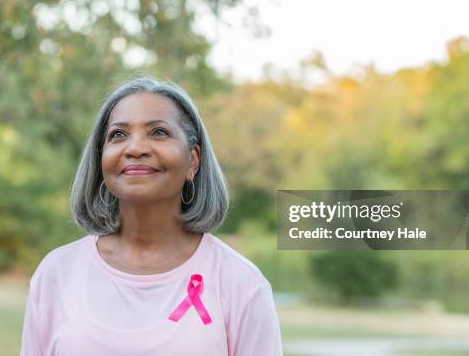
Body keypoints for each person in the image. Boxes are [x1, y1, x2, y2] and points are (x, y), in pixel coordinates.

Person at [20, 77, 283, 355]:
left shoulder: (240, 283)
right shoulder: (57, 274)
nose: (135, 148)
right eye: (118, 135)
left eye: (158, 132)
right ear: (101, 158)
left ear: (193, 160)